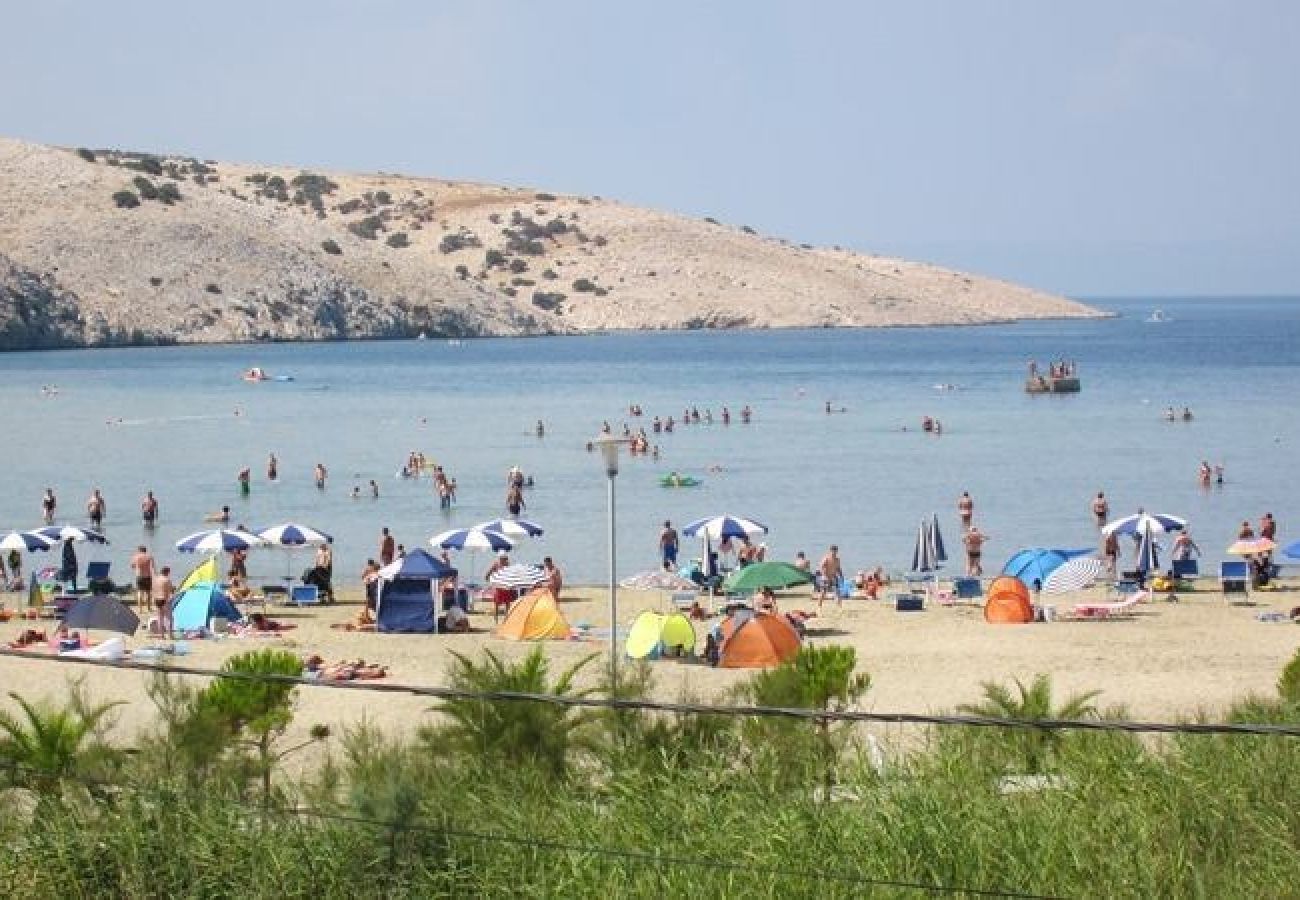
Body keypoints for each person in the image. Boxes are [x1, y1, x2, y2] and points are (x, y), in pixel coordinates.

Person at [817, 545, 843, 610]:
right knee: (823, 592)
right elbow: (821, 567)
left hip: (834, 577)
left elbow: (838, 568)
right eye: (833, 551)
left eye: (835, 551)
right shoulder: (826, 558)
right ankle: (819, 607)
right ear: (830, 551)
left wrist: (841, 576)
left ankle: (839, 607)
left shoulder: (837, 559)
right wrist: (825, 576)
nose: (834, 552)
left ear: (837, 551)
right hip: (826, 577)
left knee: (837, 591)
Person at [131, 545, 154, 612]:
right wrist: (154, 576)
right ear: (145, 550)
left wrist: (138, 567)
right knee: (148, 593)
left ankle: (140, 609)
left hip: (139, 576)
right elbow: (152, 567)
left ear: (139, 550)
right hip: (148, 576)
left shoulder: (136, 557)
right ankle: (149, 608)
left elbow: (132, 566)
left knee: (140, 592)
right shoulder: (149, 557)